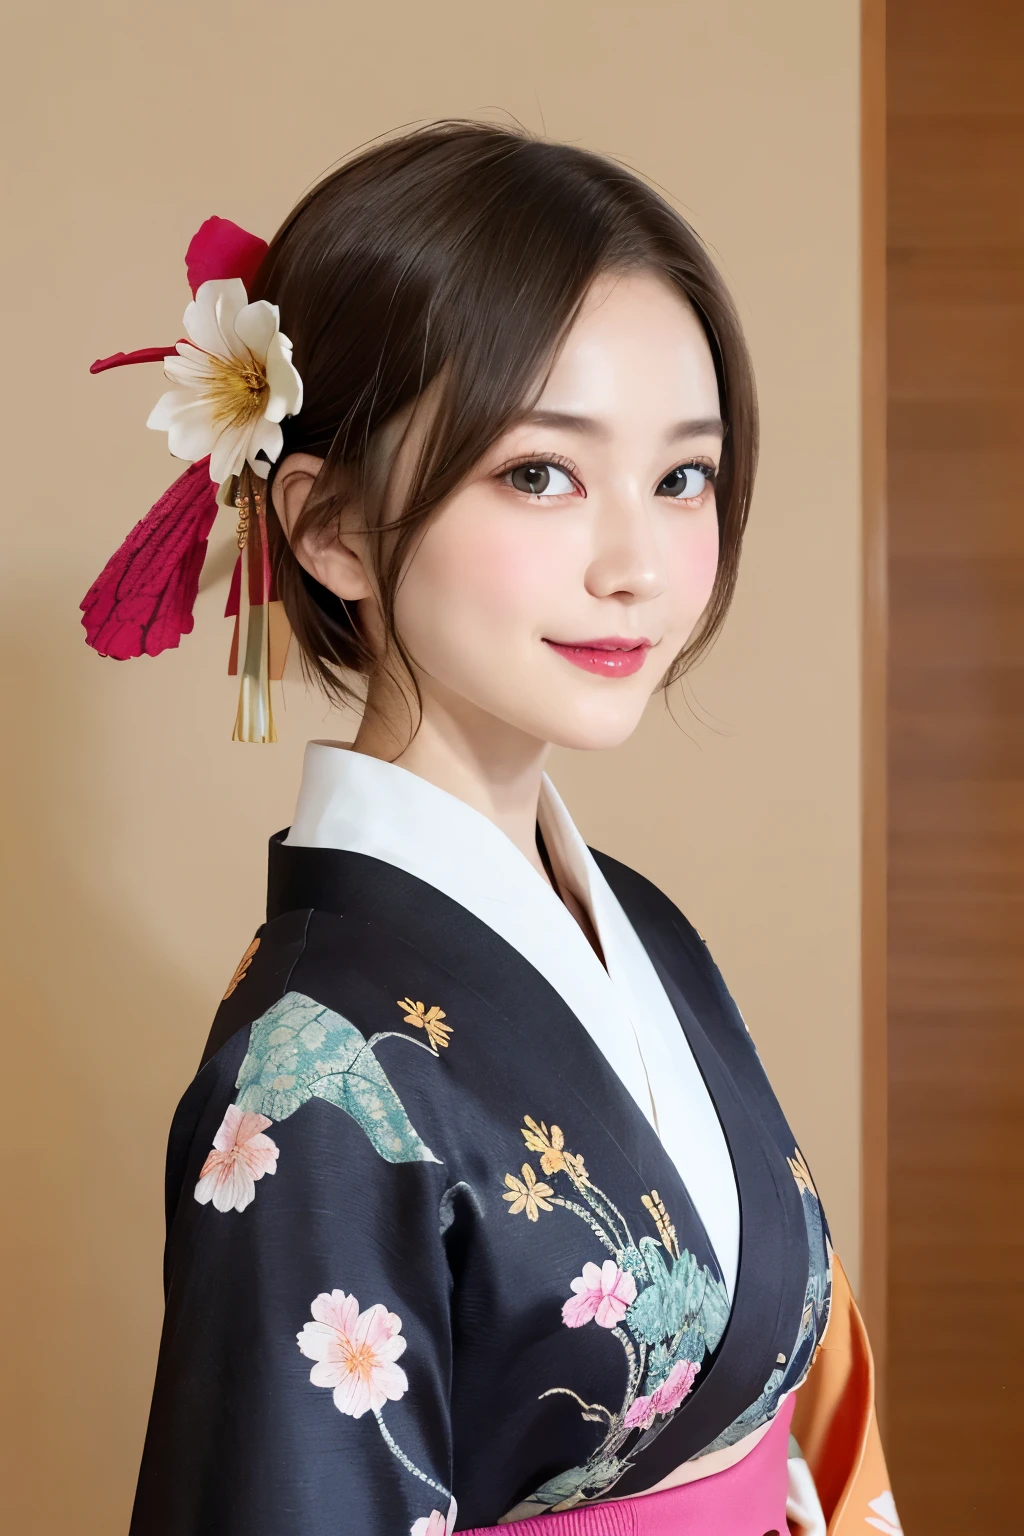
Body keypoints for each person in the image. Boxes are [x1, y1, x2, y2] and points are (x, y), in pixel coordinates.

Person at [85, 120, 897, 1536]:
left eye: (683, 476)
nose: (639, 563)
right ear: (328, 524)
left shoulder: (639, 925)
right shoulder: (314, 1072)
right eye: (540, 473)